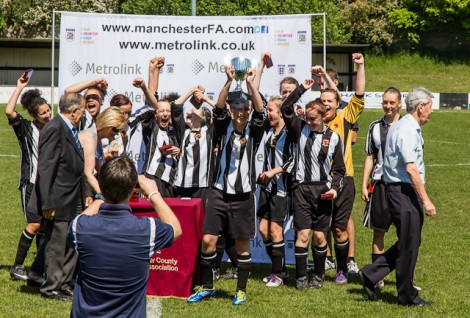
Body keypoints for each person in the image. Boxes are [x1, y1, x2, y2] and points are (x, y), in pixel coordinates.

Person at [187, 66, 265, 305]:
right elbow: (219, 106)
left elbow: (261, 110)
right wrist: (229, 80)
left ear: (248, 109)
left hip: (243, 196)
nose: (241, 112)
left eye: (244, 108)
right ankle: (208, 287)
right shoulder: (221, 128)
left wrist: (251, 85)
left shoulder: (255, 129)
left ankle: (240, 290)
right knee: (208, 240)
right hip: (219, 193)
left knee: (242, 245)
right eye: (237, 108)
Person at [67, 156, 182, 317]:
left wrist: (100, 197)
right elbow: (176, 229)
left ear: (100, 184)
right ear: (133, 189)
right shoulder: (147, 229)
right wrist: (153, 193)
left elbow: (79, 220)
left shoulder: (81, 228)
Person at [359, 87, 436, 306]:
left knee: (409, 241)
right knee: (409, 242)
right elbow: (411, 168)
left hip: (402, 190)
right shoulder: (407, 130)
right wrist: (426, 200)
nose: (431, 112)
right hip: (402, 190)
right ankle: (407, 296)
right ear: (420, 107)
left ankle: (371, 274)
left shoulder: (406, 126)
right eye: (430, 107)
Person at [281, 77, 346, 289]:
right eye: (307, 118)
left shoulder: (334, 138)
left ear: (323, 117)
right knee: (302, 234)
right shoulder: (299, 128)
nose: (309, 122)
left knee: (319, 236)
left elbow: (338, 170)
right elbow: (286, 107)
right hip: (301, 188)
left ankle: (318, 275)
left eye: (313, 119)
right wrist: (301, 89)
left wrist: (335, 190)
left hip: (323, 191)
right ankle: (300, 276)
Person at [316, 52, 365, 283]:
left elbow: (359, 93)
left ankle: (342, 269)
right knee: (322, 226)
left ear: (337, 103)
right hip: (319, 181)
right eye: (322, 101)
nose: (326, 104)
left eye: (330, 101)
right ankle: (323, 266)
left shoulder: (345, 117)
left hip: (344, 181)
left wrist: (360, 66)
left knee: (339, 228)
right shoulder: (312, 121)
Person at [32, 92, 86, 300]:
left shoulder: (70, 128)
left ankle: (65, 282)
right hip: (59, 198)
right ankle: (51, 286)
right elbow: (46, 168)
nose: (82, 115)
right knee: (57, 243)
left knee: (74, 240)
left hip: (75, 195)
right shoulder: (55, 128)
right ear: (73, 112)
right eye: (81, 111)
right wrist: (48, 202)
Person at [5, 75, 51, 281]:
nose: (48, 115)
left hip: (48, 185)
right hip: (30, 183)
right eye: (43, 113)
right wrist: (19, 87)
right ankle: (17, 266)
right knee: (34, 224)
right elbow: (9, 111)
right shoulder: (25, 127)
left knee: (45, 225)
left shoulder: (54, 126)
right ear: (34, 115)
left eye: (49, 110)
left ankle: (39, 268)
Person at [361, 87, 402, 288]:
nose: (388, 106)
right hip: (380, 185)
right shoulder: (374, 127)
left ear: (399, 104)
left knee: (406, 234)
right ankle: (377, 276)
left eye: (391, 103)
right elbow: (370, 156)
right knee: (379, 232)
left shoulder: (407, 126)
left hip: (402, 186)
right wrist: (364, 184)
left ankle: (404, 277)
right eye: (385, 102)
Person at [257, 96, 295, 287]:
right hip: (266, 187)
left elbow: (294, 160)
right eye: (268, 110)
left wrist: (274, 171)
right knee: (263, 230)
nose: (268, 114)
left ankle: (277, 274)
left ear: (281, 113)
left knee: (275, 229)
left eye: (271, 110)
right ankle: (281, 268)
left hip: (281, 187)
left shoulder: (290, 133)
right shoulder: (269, 132)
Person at [78, 106, 127, 199]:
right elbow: (88, 173)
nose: (116, 134)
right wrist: (105, 196)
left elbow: (98, 167)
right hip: (76, 192)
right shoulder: (89, 137)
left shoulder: (97, 138)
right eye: (116, 130)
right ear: (108, 125)